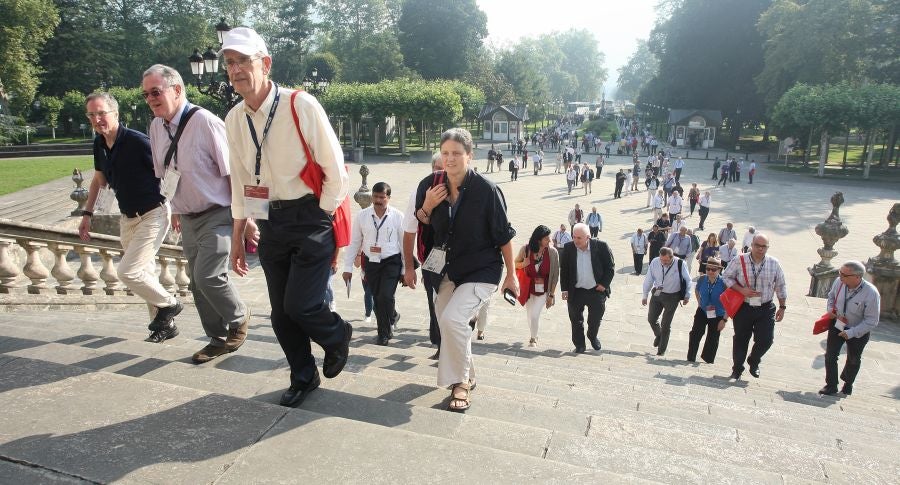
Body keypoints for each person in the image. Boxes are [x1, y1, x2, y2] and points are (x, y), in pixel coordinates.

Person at [221, 27, 352, 408]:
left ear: (266, 63)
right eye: (230, 63)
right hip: (268, 221)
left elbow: (336, 170)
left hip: (310, 215)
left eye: (244, 60)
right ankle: (303, 375)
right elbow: (241, 182)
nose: (236, 70)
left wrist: (322, 215)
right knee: (280, 314)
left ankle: (336, 335)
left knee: (302, 305)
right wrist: (238, 237)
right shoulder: (233, 119)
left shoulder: (300, 105)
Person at [142, 64, 251, 361]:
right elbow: (165, 174)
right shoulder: (155, 127)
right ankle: (216, 338)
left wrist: (245, 219)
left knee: (209, 276)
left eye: (156, 92)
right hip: (187, 216)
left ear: (177, 90)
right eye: (146, 94)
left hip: (218, 212)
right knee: (195, 282)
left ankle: (239, 317)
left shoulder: (205, 122)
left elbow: (234, 174)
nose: (150, 99)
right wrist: (175, 208)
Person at [413, 127, 517, 412]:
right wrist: (427, 205)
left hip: (482, 268)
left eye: (457, 154)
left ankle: (460, 384)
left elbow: (504, 236)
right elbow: (421, 222)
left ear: (470, 156)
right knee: (446, 322)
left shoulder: (487, 190)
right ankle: (468, 374)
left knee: (454, 320)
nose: (450, 159)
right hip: (448, 269)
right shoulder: (430, 185)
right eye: (445, 153)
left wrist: (512, 275)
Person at [78, 91, 183, 343]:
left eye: (102, 113)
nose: (97, 119)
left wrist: (177, 208)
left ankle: (170, 304)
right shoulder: (99, 143)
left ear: (115, 113)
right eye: (92, 114)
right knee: (145, 273)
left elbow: (170, 172)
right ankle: (165, 326)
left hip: (154, 213)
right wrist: (87, 213)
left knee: (128, 271)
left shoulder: (137, 142)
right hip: (128, 218)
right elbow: (99, 180)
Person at [343, 182, 404, 346]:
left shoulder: (398, 216)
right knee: (377, 298)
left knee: (386, 295)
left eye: (382, 197)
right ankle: (384, 332)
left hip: (392, 261)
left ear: (388, 198)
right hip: (371, 262)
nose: (378, 200)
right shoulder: (362, 216)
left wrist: (406, 269)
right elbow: (355, 242)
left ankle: (390, 319)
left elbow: (404, 244)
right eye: (375, 197)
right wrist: (347, 267)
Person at [721, 233, 787, 380]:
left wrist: (783, 307)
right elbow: (726, 276)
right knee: (741, 338)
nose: (760, 249)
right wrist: (741, 290)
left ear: (768, 247)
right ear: (752, 245)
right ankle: (737, 369)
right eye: (757, 245)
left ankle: (754, 359)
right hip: (744, 306)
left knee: (766, 340)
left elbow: (781, 285)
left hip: (765, 306)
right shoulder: (740, 260)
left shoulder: (774, 263)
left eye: (764, 246)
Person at [403, 153, 444, 359]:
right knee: (434, 300)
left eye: (444, 168)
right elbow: (409, 232)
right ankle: (440, 344)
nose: (440, 173)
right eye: (436, 168)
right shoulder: (419, 192)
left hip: (462, 259)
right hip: (432, 257)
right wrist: (409, 268)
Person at [819, 260, 880, 396]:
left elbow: (872, 320)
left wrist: (852, 332)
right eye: (840, 273)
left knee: (853, 359)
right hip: (838, 324)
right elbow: (831, 296)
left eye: (844, 275)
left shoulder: (871, 293)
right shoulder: (839, 282)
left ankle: (848, 383)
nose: (840, 277)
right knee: (830, 355)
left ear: (858, 277)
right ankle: (831, 385)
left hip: (858, 330)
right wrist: (830, 309)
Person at [559, 224, 615, 353]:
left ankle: (592, 335)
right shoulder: (568, 248)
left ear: (588, 237)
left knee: (595, 319)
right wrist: (564, 290)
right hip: (576, 291)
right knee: (575, 320)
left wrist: (603, 284)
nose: (576, 240)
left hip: (596, 290)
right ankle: (580, 345)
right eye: (574, 237)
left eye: (579, 237)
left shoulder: (601, 246)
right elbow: (564, 270)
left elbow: (610, 267)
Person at [641, 247, 692, 356]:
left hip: (673, 296)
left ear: (672, 257)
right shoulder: (655, 262)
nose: (663, 262)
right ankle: (659, 335)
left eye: (666, 260)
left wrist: (687, 295)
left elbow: (688, 280)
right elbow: (649, 279)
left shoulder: (680, 264)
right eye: (662, 260)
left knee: (665, 324)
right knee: (651, 318)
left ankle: (661, 350)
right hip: (657, 293)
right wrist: (645, 295)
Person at [514, 225, 559, 348]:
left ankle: (533, 339)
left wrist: (551, 294)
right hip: (528, 289)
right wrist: (524, 263)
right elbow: (515, 264)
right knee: (529, 315)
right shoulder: (526, 249)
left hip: (544, 290)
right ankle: (534, 333)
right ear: (539, 240)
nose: (549, 240)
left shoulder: (552, 252)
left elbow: (555, 275)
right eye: (546, 238)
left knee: (534, 315)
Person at [687, 257, 727, 363]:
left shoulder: (724, 283)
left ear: (719, 270)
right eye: (708, 269)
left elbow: (729, 303)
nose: (710, 271)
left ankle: (708, 359)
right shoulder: (702, 279)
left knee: (713, 337)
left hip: (718, 313)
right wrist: (700, 303)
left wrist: (724, 320)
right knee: (696, 333)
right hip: (703, 311)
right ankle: (691, 357)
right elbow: (696, 290)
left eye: (713, 270)